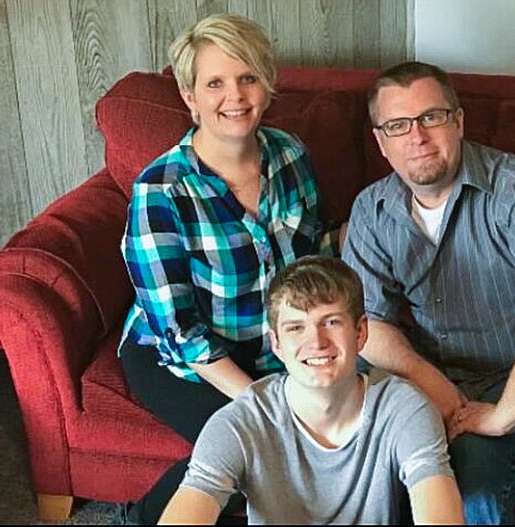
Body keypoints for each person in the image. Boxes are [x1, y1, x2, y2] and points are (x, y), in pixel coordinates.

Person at [342, 61, 515, 524]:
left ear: (458, 122)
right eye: (398, 126)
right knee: (361, 453)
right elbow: (366, 324)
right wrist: (427, 380)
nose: (417, 136)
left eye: (432, 117)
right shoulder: (371, 209)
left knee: (473, 467)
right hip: (432, 372)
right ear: (381, 142)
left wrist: (503, 414)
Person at [118, 13, 340, 524]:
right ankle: (143, 518)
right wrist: (265, 402)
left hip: (275, 347)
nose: (234, 96)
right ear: (189, 95)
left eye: (248, 78)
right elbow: (179, 330)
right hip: (180, 360)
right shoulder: (161, 191)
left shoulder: (289, 156)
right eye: (214, 83)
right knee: (255, 455)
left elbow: (314, 262)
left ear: (267, 84)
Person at [157, 255, 463, 525]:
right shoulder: (240, 422)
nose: (316, 342)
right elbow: (193, 501)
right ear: (276, 344)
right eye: (295, 327)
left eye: (331, 322)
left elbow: (439, 512)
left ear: (360, 332)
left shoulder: (405, 409)